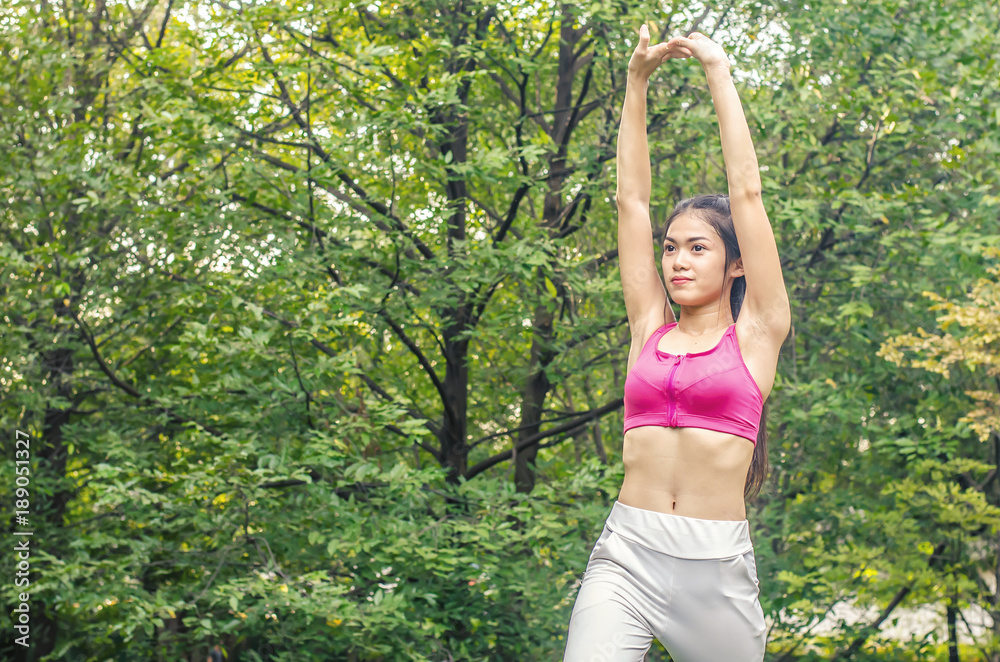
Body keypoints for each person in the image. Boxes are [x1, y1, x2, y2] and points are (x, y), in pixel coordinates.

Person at [563, 23, 791, 662]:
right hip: (626, 556)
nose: (677, 261)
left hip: (714, 572)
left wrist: (717, 70)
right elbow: (631, 201)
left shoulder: (758, 334)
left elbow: (747, 192)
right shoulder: (648, 329)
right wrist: (635, 81)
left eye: (697, 248)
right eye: (670, 248)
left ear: (736, 264)